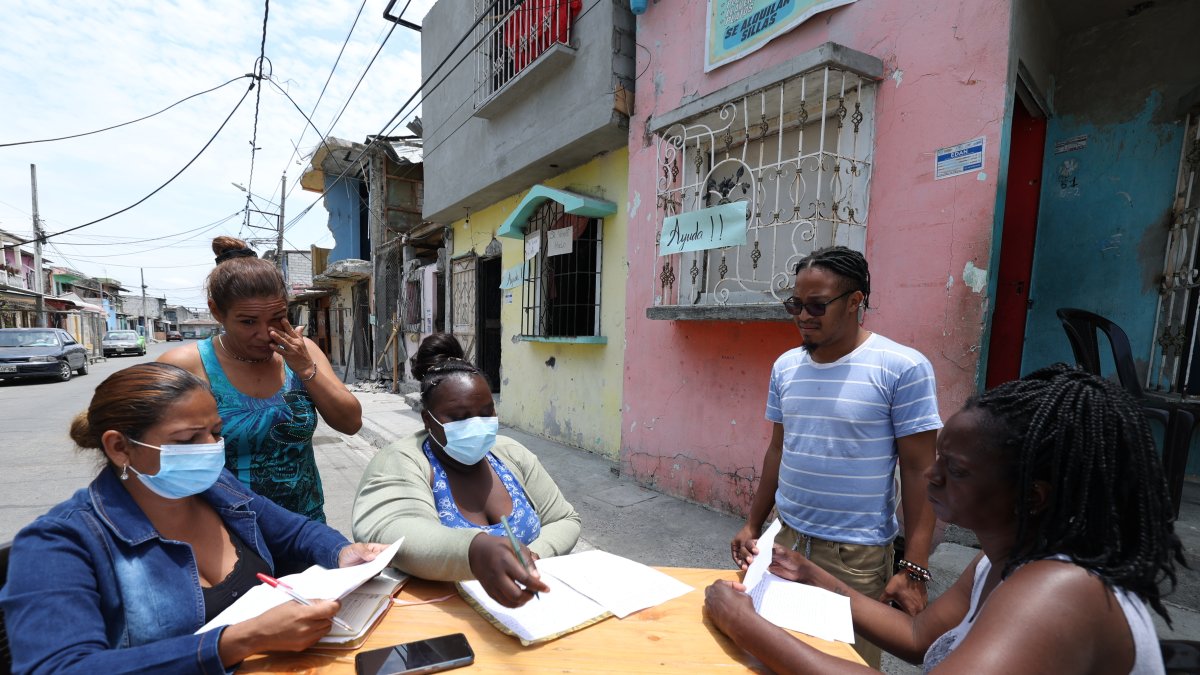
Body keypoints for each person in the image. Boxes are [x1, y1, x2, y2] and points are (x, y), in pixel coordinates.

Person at [706, 364, 1184, 673]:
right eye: (939, 459)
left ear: (1031, 497)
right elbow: (917, 636)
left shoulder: (1061, 590)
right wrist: (816, 577)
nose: (931, 476)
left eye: (955, 470)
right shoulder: (996, 561)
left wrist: (745, 625)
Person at [0, 363, 389, 675]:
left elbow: (293, 532)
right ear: (120, 447)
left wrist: (342, 553)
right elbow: (57, 667)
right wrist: (237, 641)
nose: (210, 450)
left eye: (216, 433)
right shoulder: (58, 544)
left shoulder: (216, 487)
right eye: (187, 440)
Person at [729, 246, 941, 668]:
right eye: (795, 305)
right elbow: (778, 449)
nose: (803, 315)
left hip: (855, 558)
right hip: (785, 542)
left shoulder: (901, 368)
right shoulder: (786, 367)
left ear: (854, 302)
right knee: (779, 657)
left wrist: (914, 569)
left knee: (846, 664)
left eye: (817, 305)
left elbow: (921, 472)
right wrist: (754, 522)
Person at [353, 333, 581, 608]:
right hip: (446, 620)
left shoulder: (510, 454)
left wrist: (533, 555)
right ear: (428, 419)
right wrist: (474, 551)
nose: (477, 424)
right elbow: (397, 532)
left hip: (529, 612)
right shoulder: (400, 461)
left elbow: (564, 519)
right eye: (460, 417)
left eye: (486, 413)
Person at [160, 236, 361, 522]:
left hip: (304, 527)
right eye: (248, 322)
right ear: (217, 311)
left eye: (277, 317)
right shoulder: (186, 365)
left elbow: (351, 423)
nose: (266, 333)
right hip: (225, 532)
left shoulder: (303, 352)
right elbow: (155, 457)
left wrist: (305, 369)